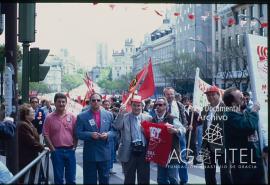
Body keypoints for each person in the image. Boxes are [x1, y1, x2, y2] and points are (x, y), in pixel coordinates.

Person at [223, 87, 265, 184]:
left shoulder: (246, 112)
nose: (245, 98)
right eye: (241, 98)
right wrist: (254, 112)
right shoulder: (229, 116)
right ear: (233, 103)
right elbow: (248, 127)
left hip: (256, 162)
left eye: (244, 96)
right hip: (243, 165)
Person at [76, 93, 115, 184]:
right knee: (89, 181)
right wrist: (90, 135)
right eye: (93, 100)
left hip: (104, 154)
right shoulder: (82, 116)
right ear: (90, 102)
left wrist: (108, 135)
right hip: (90, 155)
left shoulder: (109, 115)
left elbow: (114, 131)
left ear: (101, 102)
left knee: (104, 180)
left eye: (98, 100)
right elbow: (78, 133)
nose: (96, 102)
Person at [113, 95, 152, 184]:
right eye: (134, 105)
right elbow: (117, 126)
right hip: (128, 151)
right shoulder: (124, 116)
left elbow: (153, 135)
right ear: (131, 106)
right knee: (129, 178)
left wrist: (146, 131)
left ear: (142, 106)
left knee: (144, 178)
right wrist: (120, 114)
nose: (136, 107)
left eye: (138, 105)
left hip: (143, 151)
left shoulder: (148, 118)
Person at [43, 93, 77, 184]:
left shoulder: (72, 116)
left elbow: (76, 133)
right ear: (55, 103)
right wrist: (53, 150)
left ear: (66, 103)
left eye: (63, 102)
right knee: (58, 179)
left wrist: (75, 146)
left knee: (71, 179)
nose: (61, 104)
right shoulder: (49, 118)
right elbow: (45, 135)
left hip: (70, 151)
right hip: (57, 151)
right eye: (59, 102)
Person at [201, 85, 232, 185]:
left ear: (219, 95)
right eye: (208, 95)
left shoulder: (227, 108)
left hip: (222, 146)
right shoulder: (205, 109)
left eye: (213, 95)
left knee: (225, 173)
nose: (210, 97)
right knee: (209, 173)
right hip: (207, 146)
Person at [151, 97, 186, 184]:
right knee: (161, 179)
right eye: (156, 105)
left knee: (173, 178)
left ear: (166, 106)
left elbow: (183, 130)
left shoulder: (172, 118)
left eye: (160, 105)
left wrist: (176, 130)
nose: (158, 106)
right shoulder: (153, 119)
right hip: (160, 153)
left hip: (172, 153)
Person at [163, 87, 188, 185]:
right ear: (164, 95)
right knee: (169, 159)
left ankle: (184, 180)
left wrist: (182, 130)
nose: (170, 96)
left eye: (171, 94)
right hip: (167, 136)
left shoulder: (179, 105)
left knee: (182, 158)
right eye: (167, 94)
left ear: (174, 94)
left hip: (179, 135)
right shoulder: (160, 105)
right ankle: (172, 179)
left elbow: (185, 121)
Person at [18, 103, 45, 183]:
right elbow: (31, 141)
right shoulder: (23, 125)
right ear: (26, 115)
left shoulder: (29, 123)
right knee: (29, 179)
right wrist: (42, 147)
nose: (34, 113)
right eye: (32, 112)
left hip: (31, 156)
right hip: (27, 158)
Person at [181, 96, 202, 165]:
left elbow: (199, 121)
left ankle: (195, 159)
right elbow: (180, 121)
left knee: (193, 144)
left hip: (193, 131)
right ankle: (185, 157)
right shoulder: (181, 111)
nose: (187, 103)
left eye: (188, 101)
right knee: (186, 143)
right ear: (183, 102)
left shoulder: (193, 111)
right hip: (184, 131)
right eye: (185, 101)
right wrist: (187, 127)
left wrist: (196, 113)